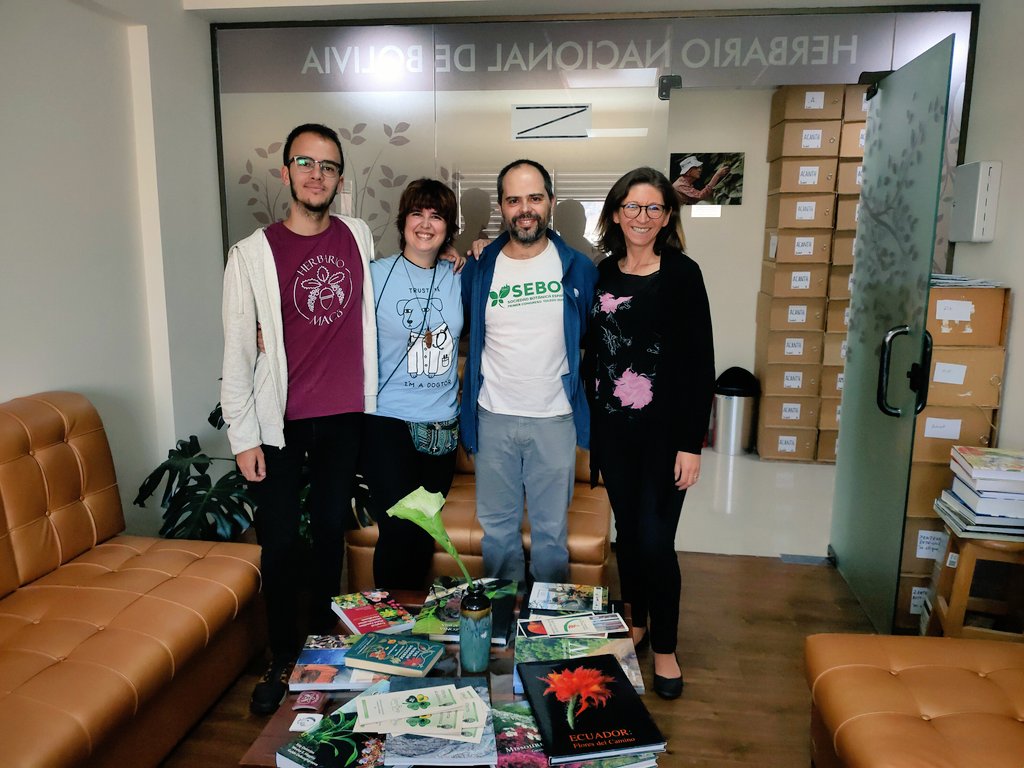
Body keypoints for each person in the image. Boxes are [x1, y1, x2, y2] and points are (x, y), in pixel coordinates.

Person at [220, 123, 378, 715]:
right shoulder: (252, 254)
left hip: (344, 415)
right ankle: (282, 656)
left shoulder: (357, 235)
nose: (317, 175)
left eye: (329, 166)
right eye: (306, 163)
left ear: (340, 178)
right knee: (281, 541)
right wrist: (243, 437)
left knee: (331, 532)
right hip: (277, 421)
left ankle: (321, 647)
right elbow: (238, 350)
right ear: (286, 172)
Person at [585, 167, 715, 700]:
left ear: (667, 217)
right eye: (633, 207)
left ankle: (665, 647)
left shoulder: (683, 274)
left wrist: (691, 443)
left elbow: (700, 363)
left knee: (658, 542)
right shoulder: (602, 273)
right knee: (631, 538)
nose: (642, 217)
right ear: (616, 213)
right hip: (614, 431)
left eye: (653, 208)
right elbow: (594, 350)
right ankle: (635, 621)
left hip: (665, 435)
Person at [460, 159, 598, 586]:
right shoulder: (480, 266)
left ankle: (547, 619)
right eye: (514, 200)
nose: (525, 209)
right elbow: (459, 323)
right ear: (502, 206)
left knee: (551, 535)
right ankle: (502, 618)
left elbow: (591, 336)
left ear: (550, 202)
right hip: (493, 417)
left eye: (534, 198)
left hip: (554, 419)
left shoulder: (578, 267)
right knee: (497, 534)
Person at [362, 178, 463, 589]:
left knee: (424, 528)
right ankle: (389, 620)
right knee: (397, 529)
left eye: (436, 216)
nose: (425, 224)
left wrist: (476, 248)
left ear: (448, 227)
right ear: (403, 221)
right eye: (417, 214)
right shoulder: (374, 275)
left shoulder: (459, 275)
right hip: (388, 421)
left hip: (442, 426)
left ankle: (416, 621)